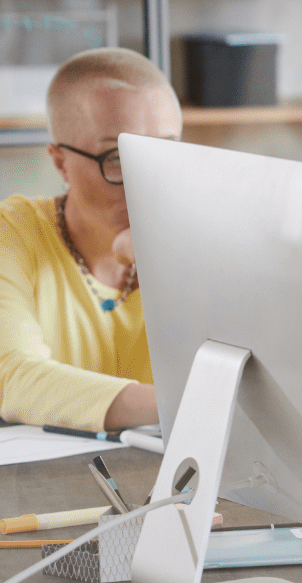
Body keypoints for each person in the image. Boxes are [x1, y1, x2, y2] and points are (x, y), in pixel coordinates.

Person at [0, 47, 181, 431]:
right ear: (60, 161)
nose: (145, 182)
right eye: (116, 157)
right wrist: (185, 406)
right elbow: (14, 377)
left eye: (165, 150)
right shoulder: (13, 233)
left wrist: (169, 257)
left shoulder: (205, 236)